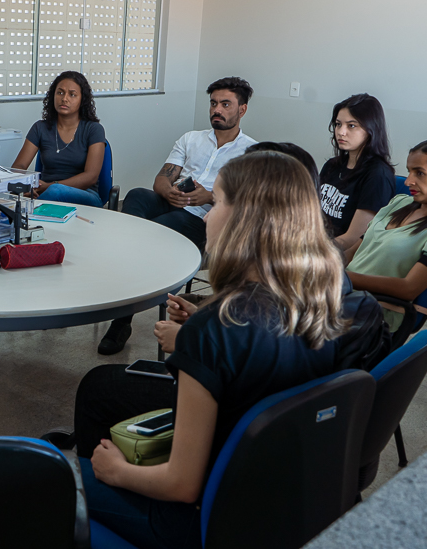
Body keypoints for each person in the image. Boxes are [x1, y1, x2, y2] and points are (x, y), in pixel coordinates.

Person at [69, 151, 349, 549]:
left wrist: (114, 472)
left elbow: (181, 484)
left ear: (244, 220)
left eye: (216, 203)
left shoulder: (215, 328)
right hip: (262, 508)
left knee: (43, 479)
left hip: (191, 520)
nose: (209, 216)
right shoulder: (316, 298)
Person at [97, 76, 257, 355]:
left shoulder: (251, 152)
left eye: (225, 104)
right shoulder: (191, 139)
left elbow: (246, 204)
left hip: (204, 220)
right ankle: (125, 255)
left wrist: (210, 197)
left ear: (242, 110)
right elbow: (162, 178)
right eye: (213, 103)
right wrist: (168, 192)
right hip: (172, 203)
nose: (216, 109)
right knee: (137, 195)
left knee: (162, 228)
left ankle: (121, 318)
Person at [345, 137, 427, 332]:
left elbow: (408, 288)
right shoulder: (399, 204)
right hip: (342, 297)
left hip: (374, 315)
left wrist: (341, 278)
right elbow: (352, 252)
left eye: (420, 173)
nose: (408, 181)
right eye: (409, 171)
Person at [11, 71, 106, 207]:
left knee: (56, 191)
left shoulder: (94, 129)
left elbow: (91, 176)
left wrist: (49, 186)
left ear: (82, 100)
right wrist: (25, 186)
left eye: (72, 94)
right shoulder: (40, 128)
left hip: (86, 196)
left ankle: (30, 215)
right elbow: (18, 167)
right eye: (60, 93)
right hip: (44, 193)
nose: (64, 99)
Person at [319, 94, 396, 250]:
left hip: (338, 256)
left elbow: (353, 239)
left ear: (371, 129)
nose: (341, 132)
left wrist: (310, 251)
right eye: (338, 124)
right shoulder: (331, 166)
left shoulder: (377, 175)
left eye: (351, 126)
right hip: (317, 242)